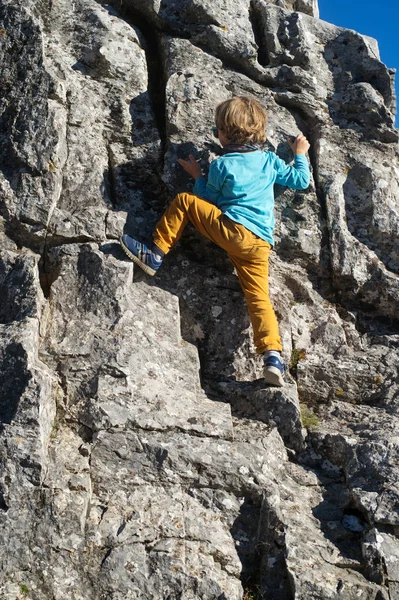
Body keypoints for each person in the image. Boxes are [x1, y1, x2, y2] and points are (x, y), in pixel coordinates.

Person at [120, 96, 310, 386]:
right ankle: (273, 357)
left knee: (184, 202)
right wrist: (300, 152)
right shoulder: (270, 161)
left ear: (223, 133)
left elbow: (207, 200)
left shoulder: (222, 165)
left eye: (217, 130)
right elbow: (300, 180)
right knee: (259, 299)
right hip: (260, 245)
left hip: (231, 230)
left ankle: (155, 254)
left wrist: (198, 176)